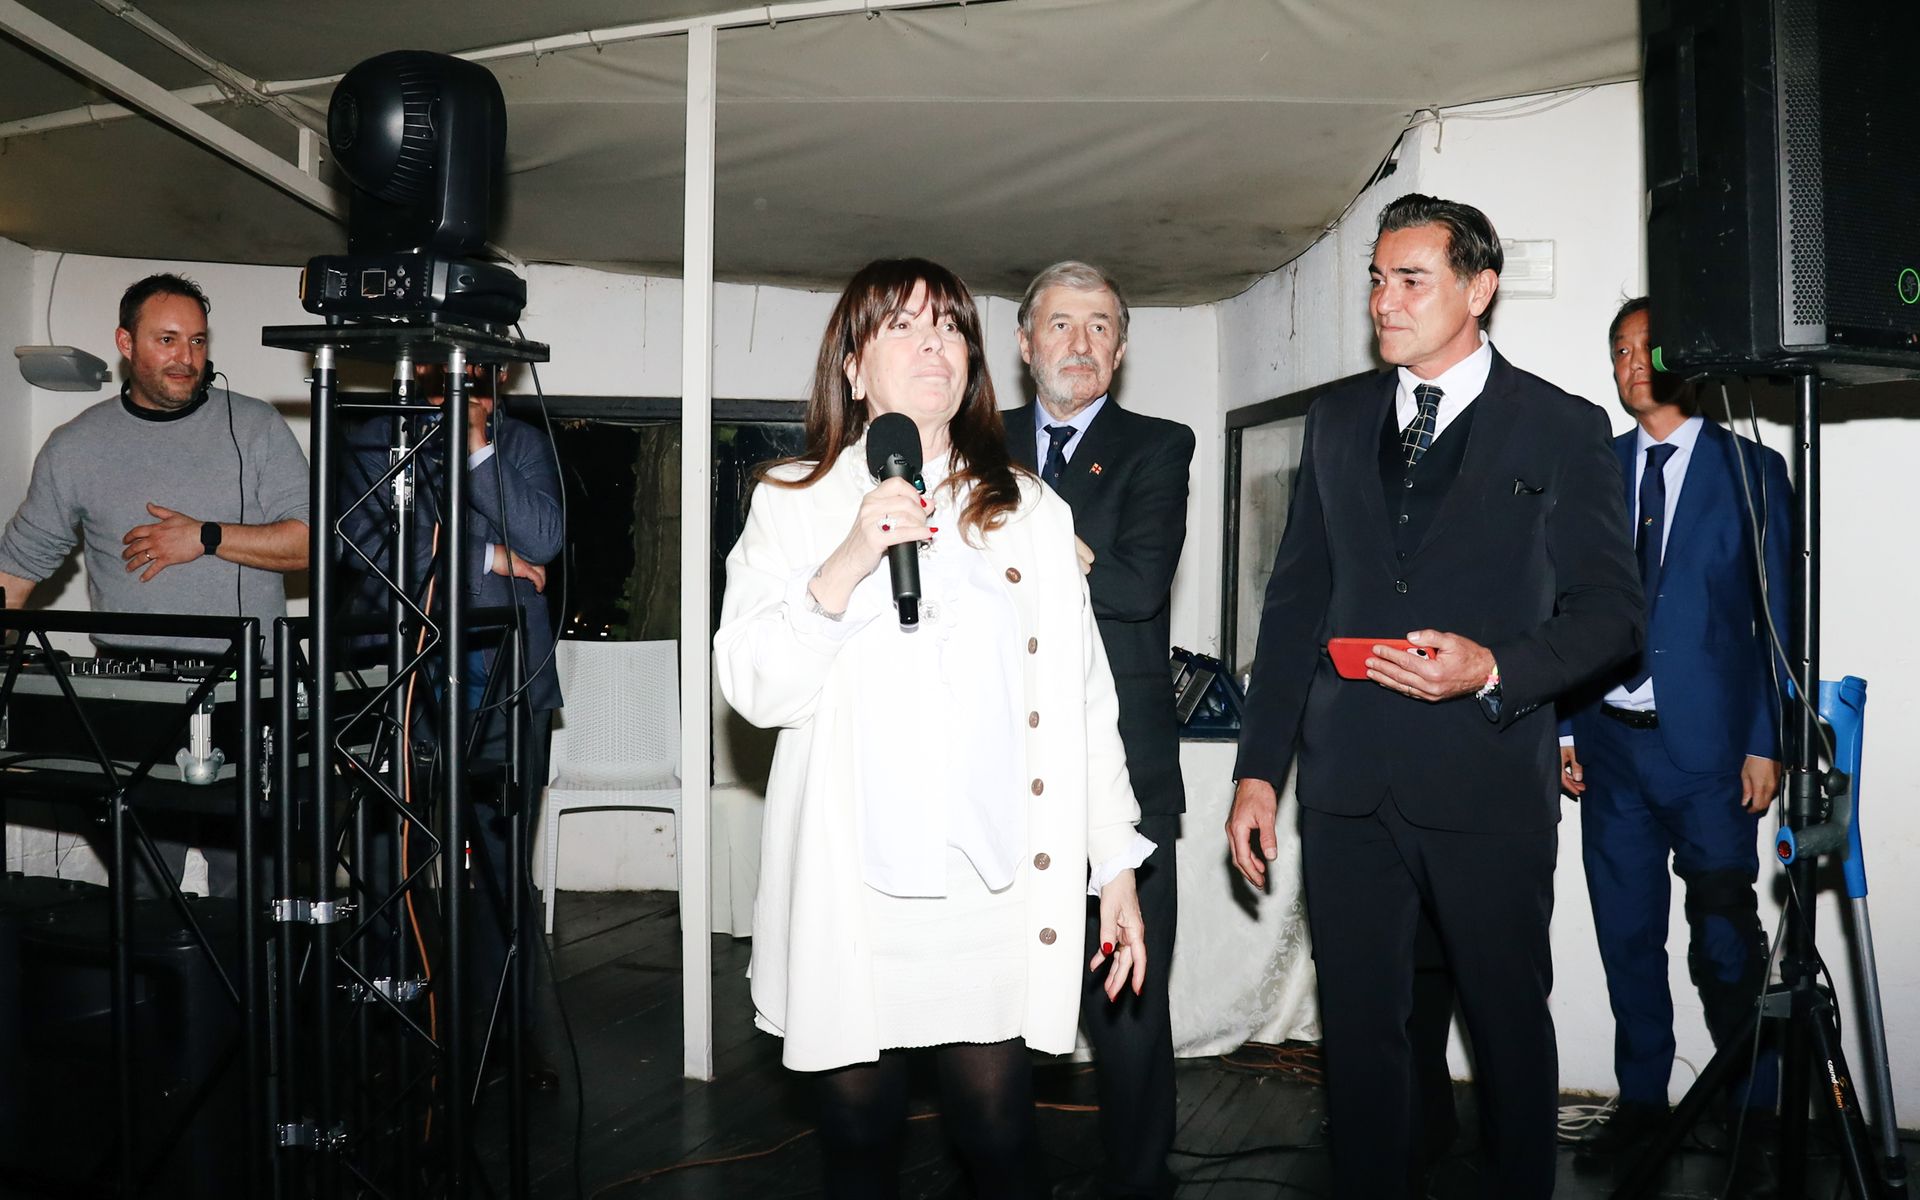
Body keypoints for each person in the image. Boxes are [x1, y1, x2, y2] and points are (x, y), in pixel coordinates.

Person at [1224, 194, 1643, 1198]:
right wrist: (1257, 773)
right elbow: (1293, 610)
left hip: (1487, 783)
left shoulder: (1561, 427)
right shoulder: (1335, 420)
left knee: (1507, 1029)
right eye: (1378, 278)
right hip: (1347, 790)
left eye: (1411, 279)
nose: (1385, 299)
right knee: (1361, 1034)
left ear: (1478, 288)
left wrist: (1493, 668)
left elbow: (1614, 617)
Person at [714, 258, 1150, 1198]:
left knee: (1000, 1137)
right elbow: (753, 687)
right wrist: (848, 558)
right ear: (853, 365)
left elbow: (1085, 697)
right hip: (856, 885)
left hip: (990, 881)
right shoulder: (792, 501)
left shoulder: (1030, 508)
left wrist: (1114, 862)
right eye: (903, 327)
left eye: (950, 327)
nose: (933, 346)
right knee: (859, 1137)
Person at [1561, 297, 1790, 1184]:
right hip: (1610, 751)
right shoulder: (1597, 470)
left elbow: (1779, 620)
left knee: (1725, 943)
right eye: (1618, 350)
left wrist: (1767, 739)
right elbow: (1567, 604)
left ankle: (1753, 1113)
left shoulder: (1753, 471)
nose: (1632, 364)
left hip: (1711, 757)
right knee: (1626, 938)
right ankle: (1642, 1108)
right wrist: (1566, 726)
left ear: (1687, 357)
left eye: (1648, 348)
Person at [0, 272, 309, 896]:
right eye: (167, 339)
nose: (185, 358)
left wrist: (207, 536)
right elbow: (18, 568)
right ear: (125, 343)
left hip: (250, 697)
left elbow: (311, 544)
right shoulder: (75, 446)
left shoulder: (256, 427)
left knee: (253, 897)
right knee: (144, 901)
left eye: (197, 341)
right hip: (131, 705)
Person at [1002, 260, 1191, 1200]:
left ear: (1120, 348)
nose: (1080, 344)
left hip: (1126, 769)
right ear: (1024, 342)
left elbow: (1134, 586)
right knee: (989, 1006)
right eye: (1061, 324)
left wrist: (1029, 524)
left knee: (1127, 1007)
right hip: (994, 769)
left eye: (1101, 326)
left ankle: (1141, 1181)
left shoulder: (1159, 446)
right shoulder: (971, 440)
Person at [338, 360, 564, 1087]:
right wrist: (490, 556)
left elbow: (544, 539)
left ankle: (506, 1034)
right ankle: (394, 1021)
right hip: (403, 683)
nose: (461, 377)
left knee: (501, 869)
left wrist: (475, 444)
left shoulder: (518, 444)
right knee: (387, 863)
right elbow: (366, 550)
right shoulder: (376, 440)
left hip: (508, 682)